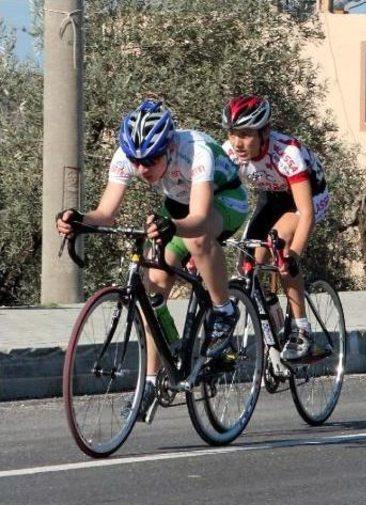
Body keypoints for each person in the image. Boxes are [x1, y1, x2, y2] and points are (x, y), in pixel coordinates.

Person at [56, 99, 249, 422]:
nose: (142, 169)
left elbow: (200, 217)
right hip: (177, 206)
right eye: (136, 161)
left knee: (197, 237)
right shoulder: (128, 155)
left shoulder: (194, 150)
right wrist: (78, 219)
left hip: (224, 201)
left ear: (169, 146)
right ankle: (152, 379)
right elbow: (106, 213)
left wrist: (171, 226)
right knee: (152, 286)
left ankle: (223, 309)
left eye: (151, 160)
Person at [220, 94, 331, 362]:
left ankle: (302, 329)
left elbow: (305, 213)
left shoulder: (286, 152)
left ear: (265, 131)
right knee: (248, 263)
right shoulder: (230, 152)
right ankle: (275, 326)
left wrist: (295, 254)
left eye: (247, 135)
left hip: (309, 198)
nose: (238, 142)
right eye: (234, 133)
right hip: (272, 197)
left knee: (278, 245)